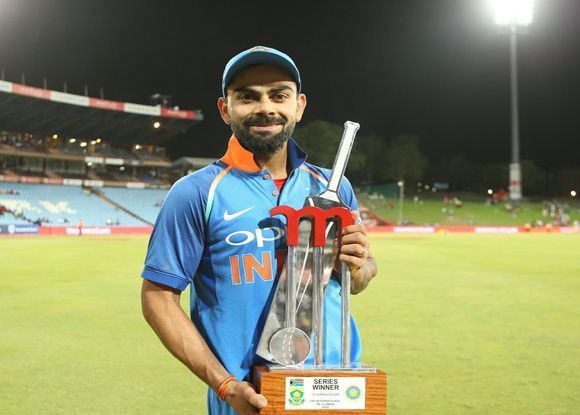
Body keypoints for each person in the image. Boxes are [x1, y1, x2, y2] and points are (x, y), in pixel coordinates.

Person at [140, 46, 378, 415]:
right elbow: (157, 297)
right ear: (225, 109)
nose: (265, 107)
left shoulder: (333, 186)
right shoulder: (196, 193)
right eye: (248, 97)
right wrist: (224, 385)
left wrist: (358, 264)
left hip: (337, 391)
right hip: (248, 398)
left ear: (298, 105)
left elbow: (360, 277)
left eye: (279, 95)